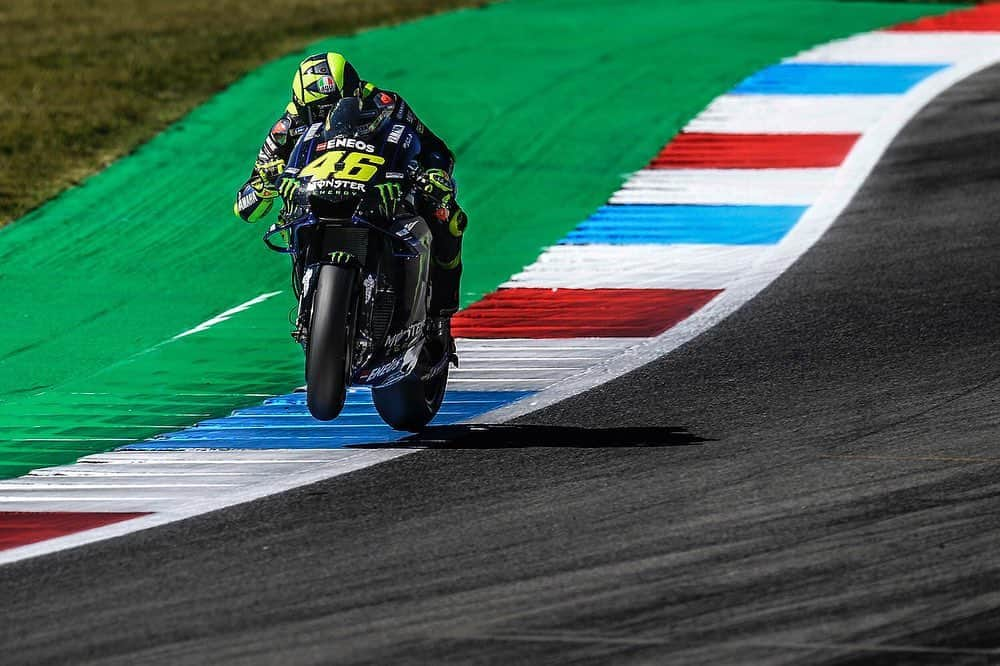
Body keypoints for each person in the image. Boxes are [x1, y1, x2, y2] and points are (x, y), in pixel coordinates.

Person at [234, 52, 466, 352]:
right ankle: (312, 305)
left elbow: (437, 152)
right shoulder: (287, 126)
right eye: (317, 112)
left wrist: (433, 176)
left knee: (448, 217)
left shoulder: (386, 105)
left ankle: (439, 318)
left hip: (379, 188)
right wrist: (265, 185)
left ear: (353, 93)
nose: (328, 118)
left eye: (336, 107)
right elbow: (245, 205)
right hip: (316, 200)